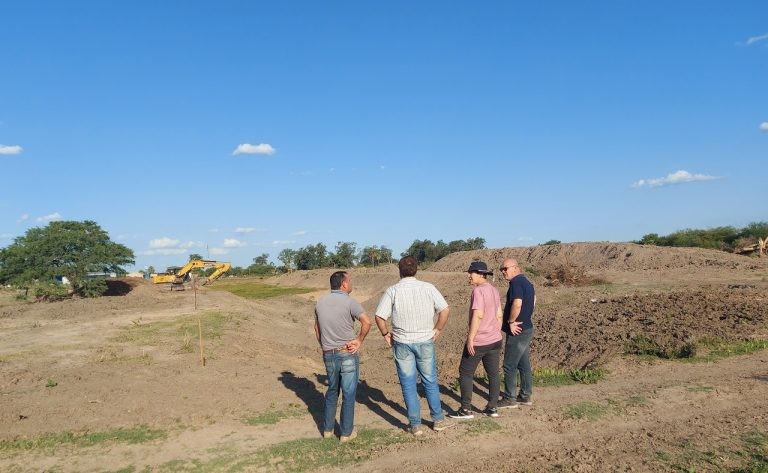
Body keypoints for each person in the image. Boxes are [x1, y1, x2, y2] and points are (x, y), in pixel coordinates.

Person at [375, 256, 453, 435]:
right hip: (425, 341)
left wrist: (386, 334)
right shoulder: (428, 288)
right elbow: (445, 310)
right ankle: (438, 419)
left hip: (402, 343)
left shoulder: (393, 291)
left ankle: (415, 425)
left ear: (399, 270)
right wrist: (438, 329)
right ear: (417, 269)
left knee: (408, 384)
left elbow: (379, 316)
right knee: (430, 381)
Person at [314, 271, 372, 442]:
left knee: (332, 390)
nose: (351, 283)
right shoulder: (350, 302)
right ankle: (346, 433)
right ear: (344, 284)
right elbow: (367, 322)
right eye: (350, 280)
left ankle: (327, 430)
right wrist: (359, 340)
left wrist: (325, 346)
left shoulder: (320, 303)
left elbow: (317, 329)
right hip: (347, 352)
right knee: (348, 393)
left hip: (328, 353)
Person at [449, 261, 503, 419]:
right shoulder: (494, 290)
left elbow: (478, 315)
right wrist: (495, 332)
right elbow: (499, 314)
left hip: (479, 341)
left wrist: (471, 338)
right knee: (493, 374)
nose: (469, 275)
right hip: (495, 340)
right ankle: (492, 408)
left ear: (480, 274)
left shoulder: (478, 291)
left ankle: (465, 410)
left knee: (465, 372)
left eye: (471, 272)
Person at [498, 258, 536, 409]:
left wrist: (511, 321)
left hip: (517, 331)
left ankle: (509, 398)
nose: (503, 272)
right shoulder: (527, 282)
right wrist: (526, 317)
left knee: (509, 365)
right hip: (526, 328)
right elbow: (534, 300)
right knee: (523, 363)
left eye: (505, 269)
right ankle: (525, 396)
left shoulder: (516, 283)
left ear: (515, 268)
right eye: (501, 269)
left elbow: (517, 303)